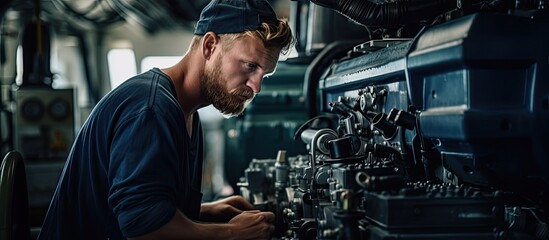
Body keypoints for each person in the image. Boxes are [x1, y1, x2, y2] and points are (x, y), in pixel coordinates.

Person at [37, 0, 294, 239]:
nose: (256, 87)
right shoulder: (151, 109)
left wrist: (207, 211)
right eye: (250, 66)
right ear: (209, 46)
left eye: (265, 74)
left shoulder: (187, 114)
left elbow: (144, 204)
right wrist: (229, 234)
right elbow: (142, 226)